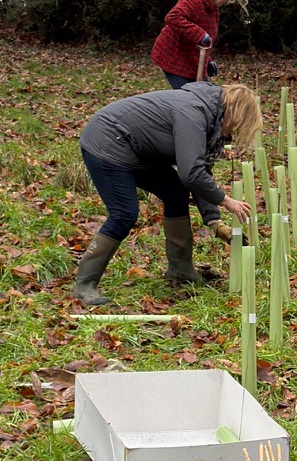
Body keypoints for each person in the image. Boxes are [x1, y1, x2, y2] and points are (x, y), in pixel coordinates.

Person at [73, 79, 262, 305]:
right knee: (124, 213)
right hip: (108, 143)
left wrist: (214, 221)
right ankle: (85, 285)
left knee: (175, 192)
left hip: (137, 149)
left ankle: (180, 270)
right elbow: (191, 173)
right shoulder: (194, 113)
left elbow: (199, 173)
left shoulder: (210, 116)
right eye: (237, 127)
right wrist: (225, 200)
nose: (233, 134)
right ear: (235, 113)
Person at [152, 0, 248, 85]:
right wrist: (199, 34)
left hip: (192, 60)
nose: (227, 1)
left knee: (203, 95)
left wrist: (208, 62)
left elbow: (205, 40)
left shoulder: (213, 8)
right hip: (173, 57)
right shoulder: (194, 0)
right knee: (188, 99)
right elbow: (172, 17)